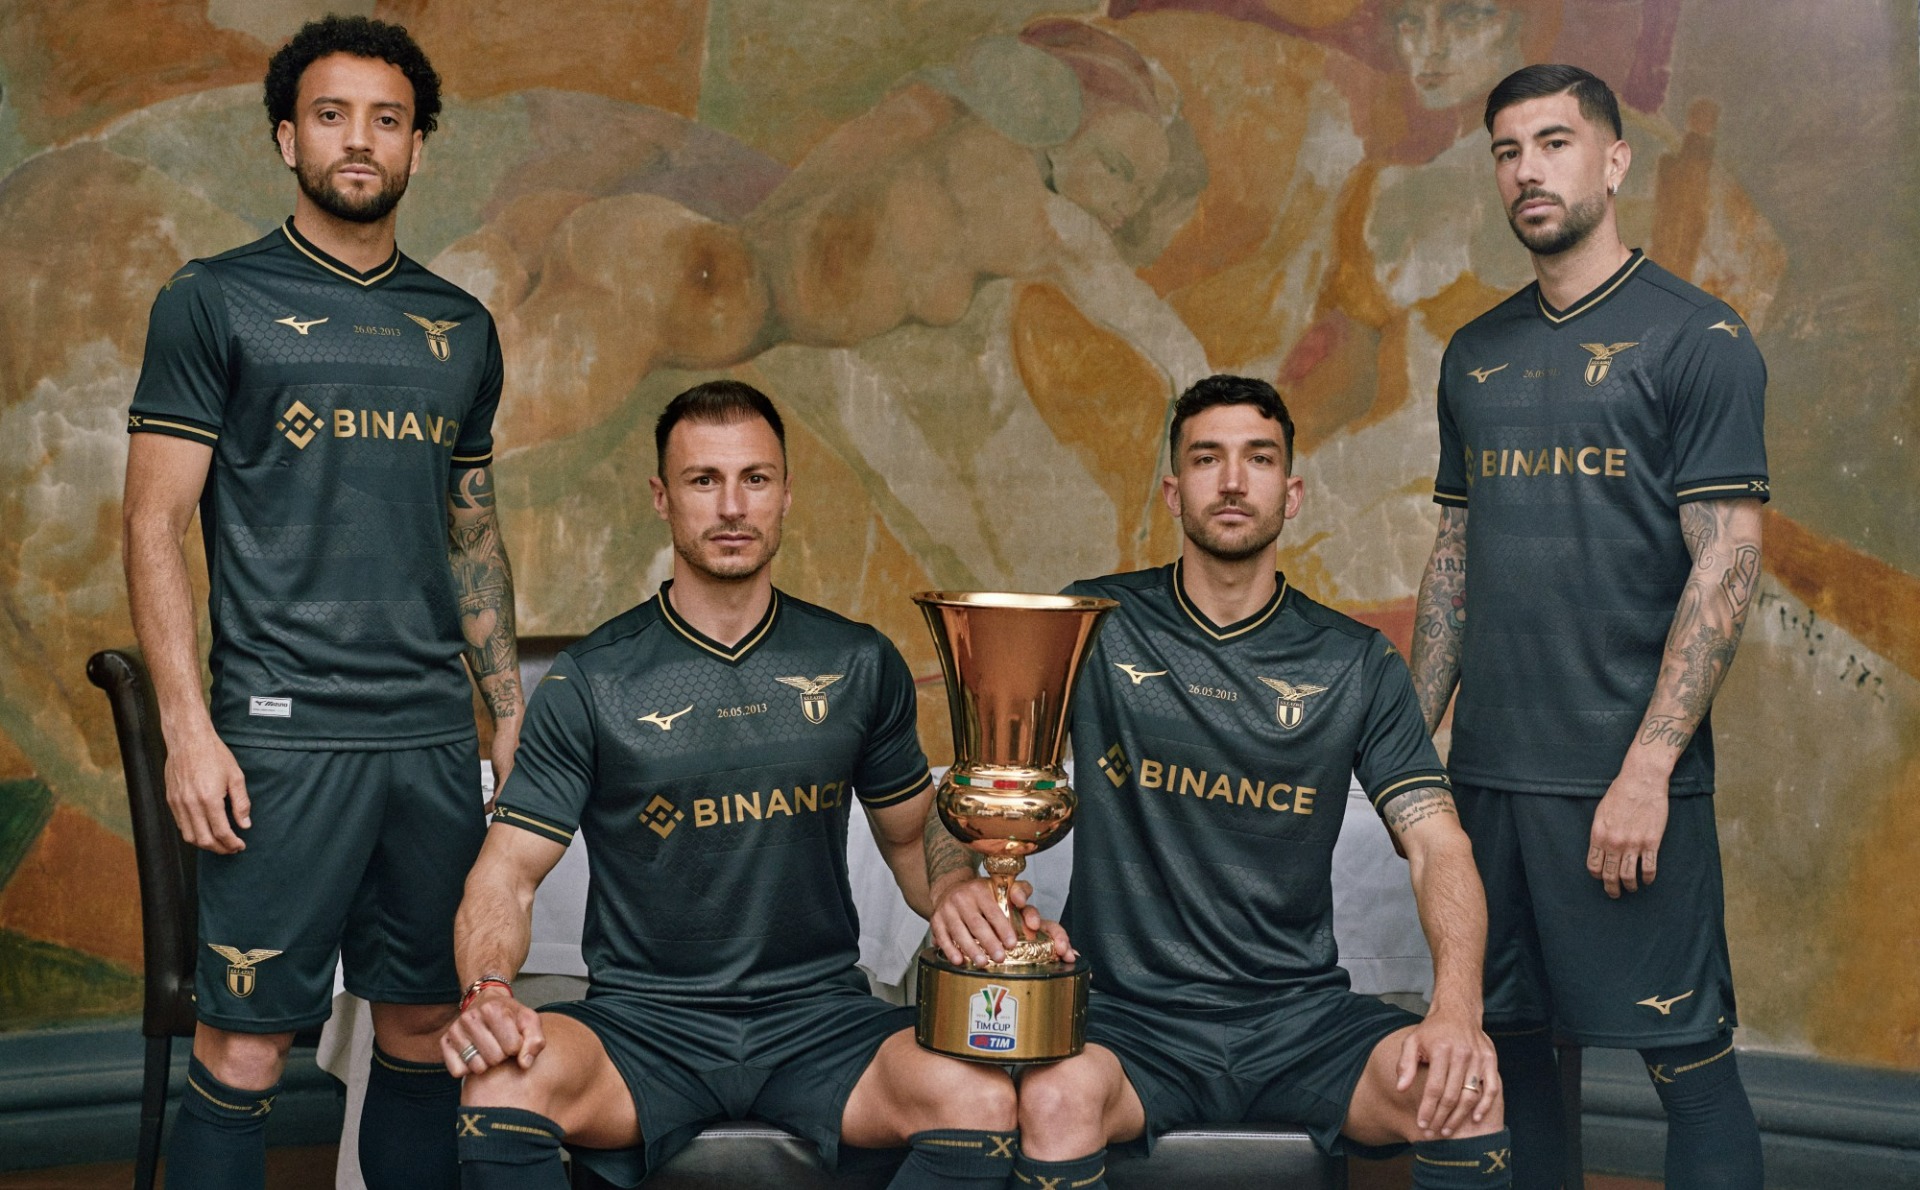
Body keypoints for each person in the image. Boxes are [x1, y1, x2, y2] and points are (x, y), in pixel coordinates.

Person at [440, 380, 1064, 1189]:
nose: (732, 506)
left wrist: (956, 890)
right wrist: (488, 990)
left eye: (755, 479)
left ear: (786, 493)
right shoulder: (592, 681)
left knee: (978, 1099)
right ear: (662, 498)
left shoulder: (857, 662)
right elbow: (507, 876)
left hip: (819, 1020)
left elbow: (914, 837)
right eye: (704, 480)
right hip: (645, 1027)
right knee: (499, 1084)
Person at [120, 16, 520, 1190]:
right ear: (286, 138)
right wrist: (190, 728)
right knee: (245, 1047)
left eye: (387, 120)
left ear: (417, 146)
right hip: (280, 738)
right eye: (332, 115)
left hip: (428, 738)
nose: (360, 139)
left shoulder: (462, 327)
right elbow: (152, 523)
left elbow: (472, 528)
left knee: (425, 1026)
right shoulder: (212, 300)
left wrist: (505, 711)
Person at [1016, 374, 1511, 1190]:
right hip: (1129, 1022)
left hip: (1298, 1022)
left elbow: (1438, 845)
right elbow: (995, 780)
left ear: (1292, 492)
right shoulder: (1093, 624)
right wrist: (964, 884)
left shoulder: (1354, 662)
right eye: (1207, 458)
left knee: (1464, 1094)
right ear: (1173, 492)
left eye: (1259, 458)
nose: (1233, 481)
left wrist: (1458, 1009)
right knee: (1055, 1100)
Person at [1409, 64, 1767, 1189]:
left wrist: (1649, 769)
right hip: (1488, 784)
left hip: (1624, 784)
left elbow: (1729, 563)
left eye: (1555, 143)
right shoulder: (1473, 352)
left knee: (1690, 1068)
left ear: (1614, 162)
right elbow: (1456, 559)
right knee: (1514, 1059)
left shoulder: (1700, 338)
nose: (1528, 170)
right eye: (1508, 150)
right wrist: (1408, 746)